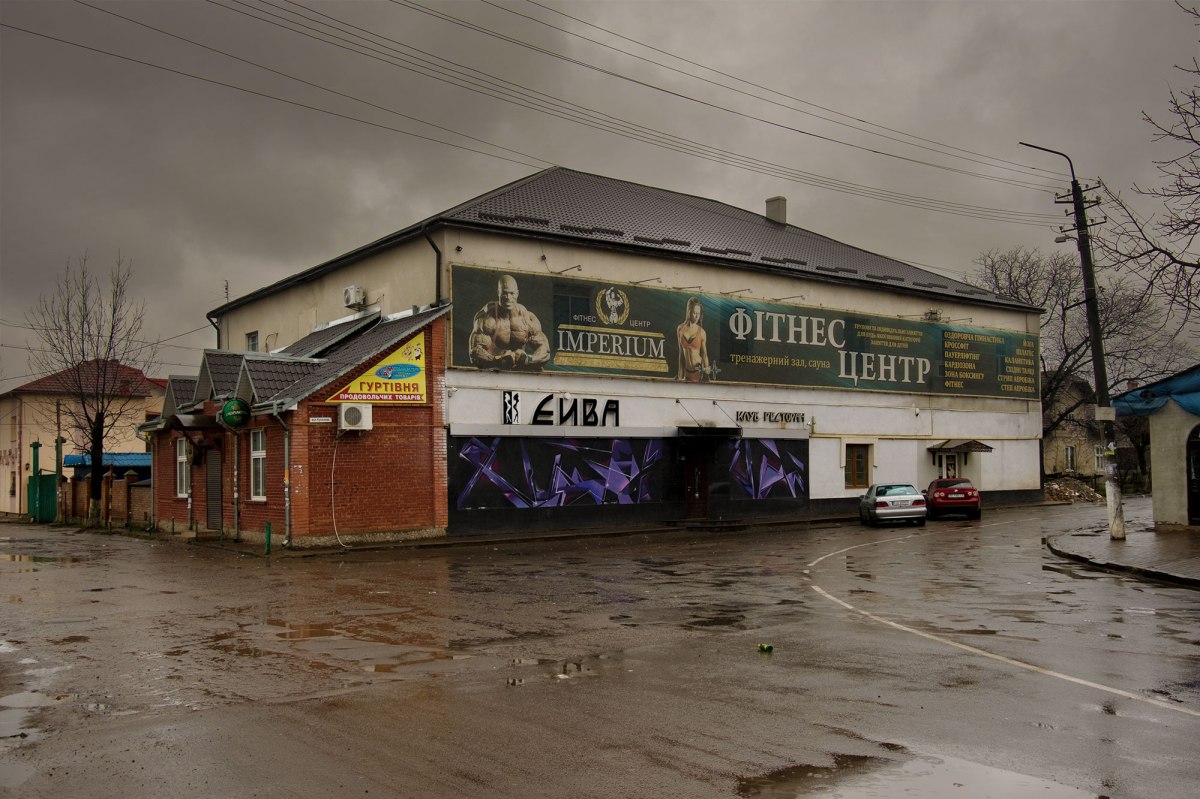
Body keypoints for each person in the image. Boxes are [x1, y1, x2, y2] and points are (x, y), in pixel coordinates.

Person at [469, 274, 550, 370]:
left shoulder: (527, 318)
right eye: (504, 293)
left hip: (520, 373)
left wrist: (529, 359)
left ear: (517, 294)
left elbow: (545, 351)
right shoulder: (488, 319)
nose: (508, 297)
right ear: (498, 292)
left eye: (512, 293)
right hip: (494, 371)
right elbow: (474, 352)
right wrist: (497, 360)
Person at [676, 297, 710, 382]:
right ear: (689, 311)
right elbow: (681, 355)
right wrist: (680, 376)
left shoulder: (702, 332)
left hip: (699, 373)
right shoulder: (680, 329)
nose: (697, 316)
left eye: (698, 313)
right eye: (694, 312)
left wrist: (707, 374)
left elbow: (704, 355)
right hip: (686, 374)